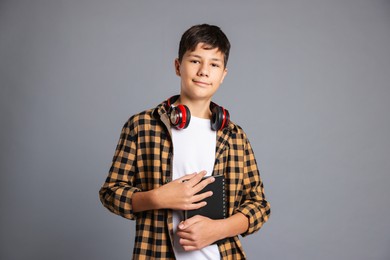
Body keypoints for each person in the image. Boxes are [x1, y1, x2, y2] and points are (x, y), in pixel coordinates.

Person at [99, 24, 271, 259]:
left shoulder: (234, 136)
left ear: (223, 75)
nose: (203, 71)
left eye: (214, 64)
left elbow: (259, 205)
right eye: (195, 61)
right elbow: (110, 193)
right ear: (178, 66)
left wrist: (218, 230)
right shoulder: (142, 126)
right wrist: (156, 197)